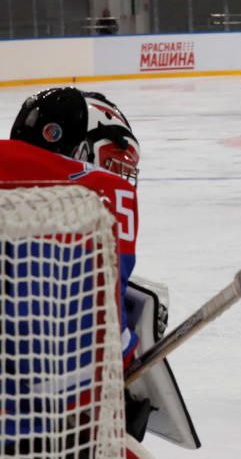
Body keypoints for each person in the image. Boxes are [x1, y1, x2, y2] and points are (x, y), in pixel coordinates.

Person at [1, 87, 153, 458]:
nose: (117, 174)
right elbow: (99, 346)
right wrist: (134, 349)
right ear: (76, 148)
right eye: (111, 159)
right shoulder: (102, 194)